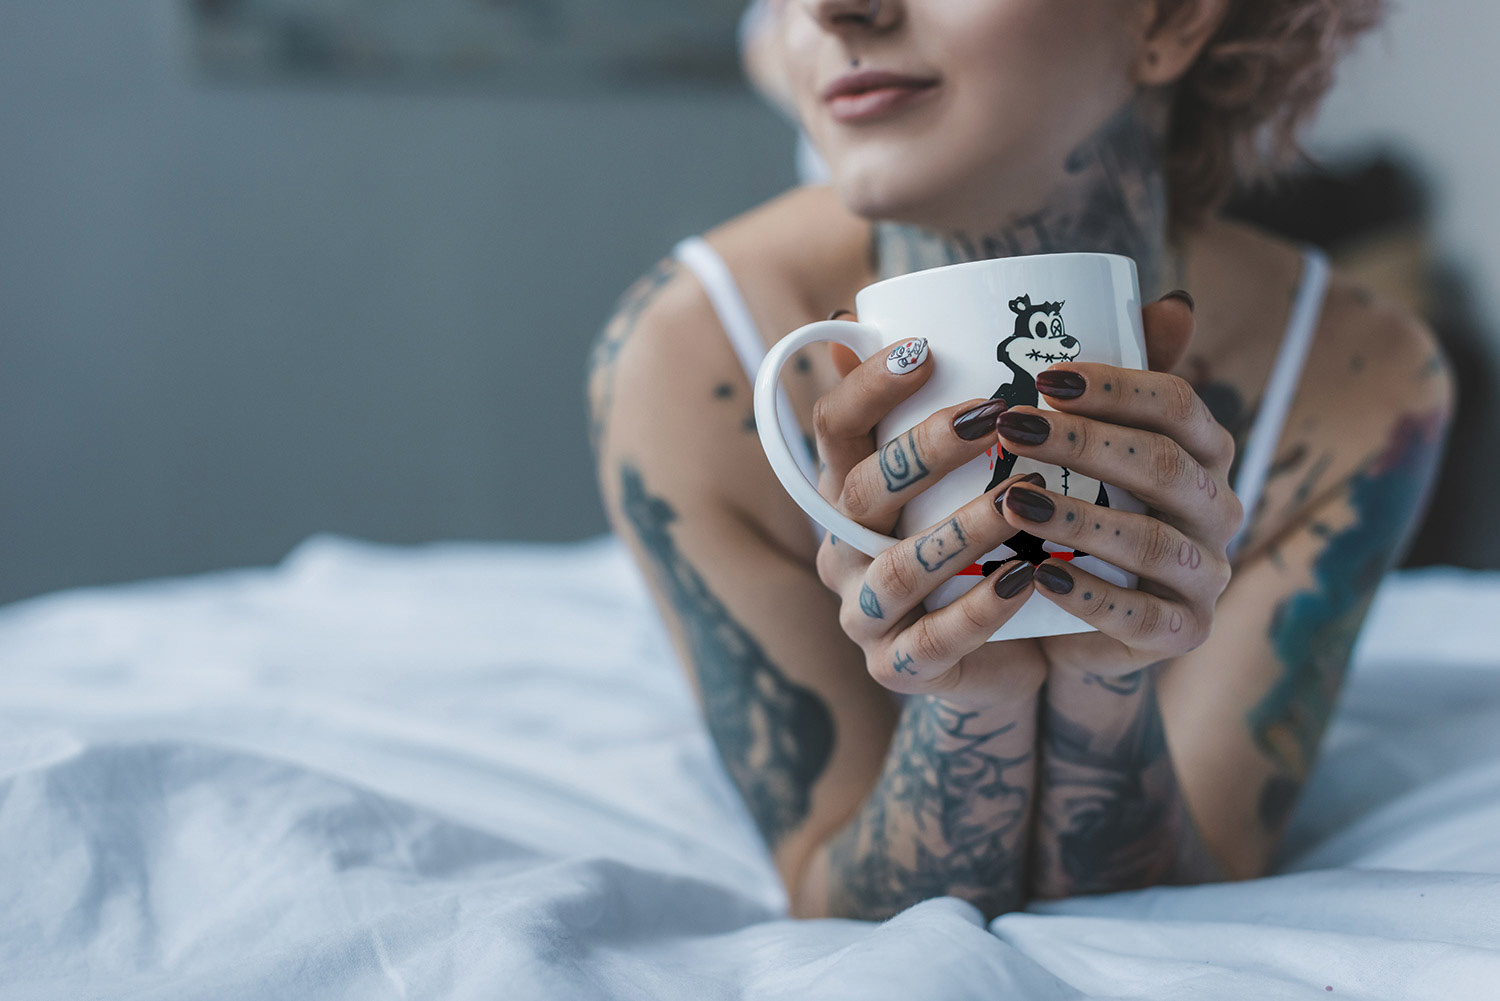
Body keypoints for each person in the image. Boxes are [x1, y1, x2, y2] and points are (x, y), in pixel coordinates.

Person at [585, 0, 1452, 921]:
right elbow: (831, 892)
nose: (836, 10)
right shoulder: (692, 360)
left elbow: (1194, 888)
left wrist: (1107, 677)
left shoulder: (1361, 383)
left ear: (1171, 20)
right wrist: (965, 698)